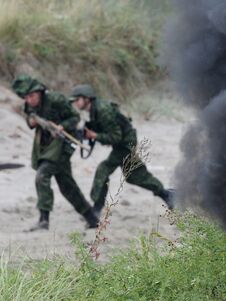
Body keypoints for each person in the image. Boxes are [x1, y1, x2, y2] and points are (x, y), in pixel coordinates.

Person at [11, 75, 99, 231]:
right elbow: (30, 120)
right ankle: (92, 218)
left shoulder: (56, 100)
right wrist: (32, 121)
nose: (29, 100)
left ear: (39, 92)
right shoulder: (29, 105)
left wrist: (61, 126)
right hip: (46, 145)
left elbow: (75, 117)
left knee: (42, 176)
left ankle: (43, 220)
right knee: (67, 186)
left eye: (32, 96)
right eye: (26, 97)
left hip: (64, 144)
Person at [69, 85, 174, 214]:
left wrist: (94, 135)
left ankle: (96, 209)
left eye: (77, 99)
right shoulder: (95, 109)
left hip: (125, 142)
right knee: (135, 175)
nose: (75, 103)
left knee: (104, 169)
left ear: (87, 99)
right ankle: (166, 195)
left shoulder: (102, 109)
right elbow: (108, 130)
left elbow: (115, 136)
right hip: (124, 141)